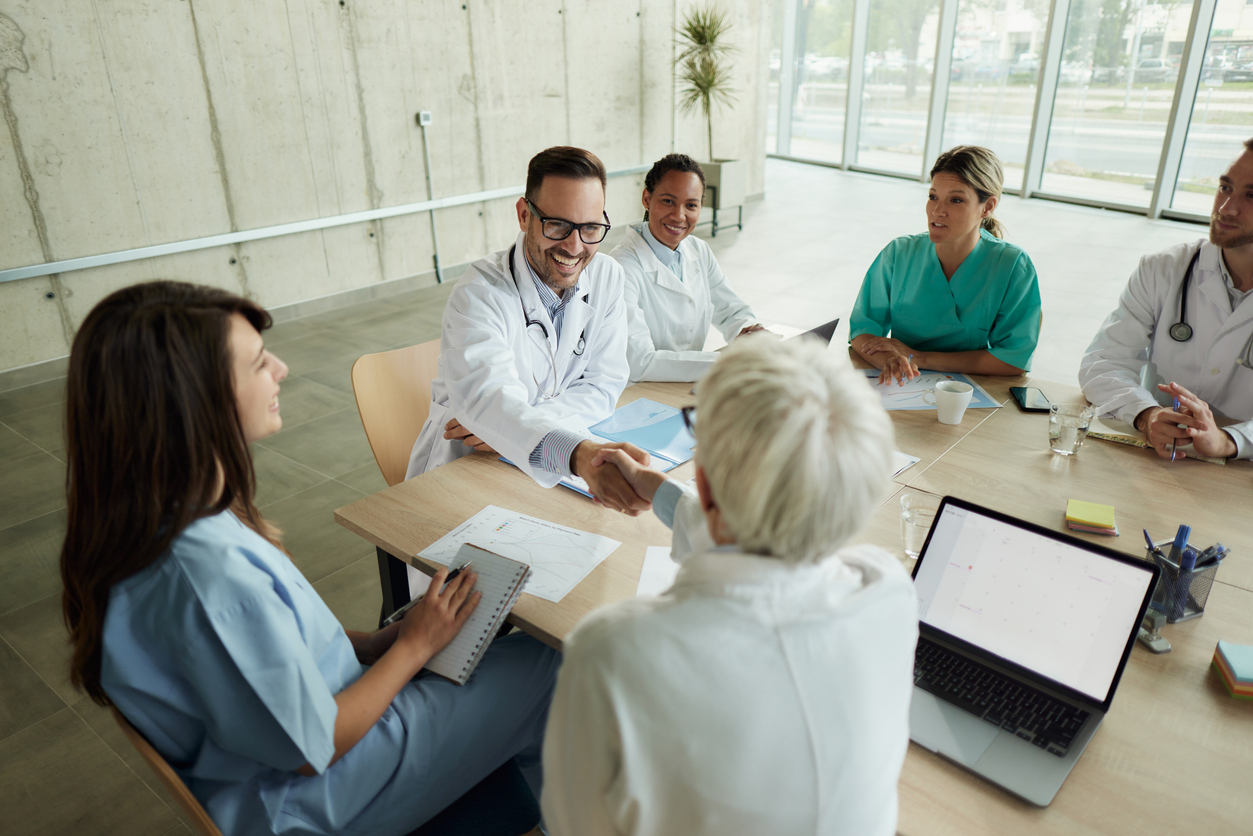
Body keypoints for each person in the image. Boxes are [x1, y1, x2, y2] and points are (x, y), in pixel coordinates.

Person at [60, 281, 560, 836]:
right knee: (559, 664)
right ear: (193, 399)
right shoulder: (208, 573)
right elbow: (312, 747)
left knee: (517, 667)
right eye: (256, 363)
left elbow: (267, 650)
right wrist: (415, 646)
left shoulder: (159, 517)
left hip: (302, 740)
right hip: (319, 793)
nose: (282, 368)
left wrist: (374, 644)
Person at [540, 337, 918, 836]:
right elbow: (774, 535)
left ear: (708, 485)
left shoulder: (611, 654)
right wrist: (661, 493)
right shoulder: (887, 587)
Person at [405, 146, 648, 514]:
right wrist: (573, 452)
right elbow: (491, 401)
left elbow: (604, 385)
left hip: (536, 462)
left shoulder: (608, 275)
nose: (574, 245)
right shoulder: (479, 295)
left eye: (591, 228)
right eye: (558, 225)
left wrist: (509, 430)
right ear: (524, 215)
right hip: (464, 469)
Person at [1079, 137, 1253, 461]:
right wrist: (1145, 415)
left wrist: (1229, 440)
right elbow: (1102, 362)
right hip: (1158, 458)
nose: (1226, 208)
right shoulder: (1166, 269)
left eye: (1251, 195)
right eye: (1225, 188)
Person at [849, 145, 1042, 384]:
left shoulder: (1012, 266)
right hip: (901, 387)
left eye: (956, 200)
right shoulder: (899, 253)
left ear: (988, 206)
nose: (937, 211)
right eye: (933, 197)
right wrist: (890, 361)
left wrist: (920, 358)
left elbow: (1013, 359)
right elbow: (862, 331)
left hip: (968, 394)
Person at [608, 153, 762, 382]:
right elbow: (640, 362)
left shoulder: (698, 250)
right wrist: (728, 363)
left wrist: (750, 335)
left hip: (687, 384)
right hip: (638, 393)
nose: (679, 216)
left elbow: (731, 311)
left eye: (691, 205)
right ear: (646, 199)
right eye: (668, 201)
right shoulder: (621, 267)